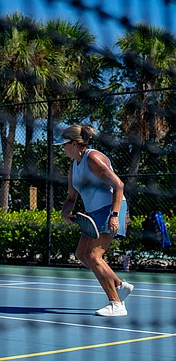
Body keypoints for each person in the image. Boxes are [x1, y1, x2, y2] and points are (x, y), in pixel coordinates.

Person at [57, 125, 133, 317]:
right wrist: (65, 213)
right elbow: (71, 198)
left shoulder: (93, 158)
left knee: (93, 256)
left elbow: (119, 185)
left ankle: (116, 304)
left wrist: (115, 215)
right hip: (93, 212)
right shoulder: (73, 167)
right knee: (82, 254)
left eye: (64, 145)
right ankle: (120, 285)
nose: (62, 148)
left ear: (74, 144)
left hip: (110, 208)